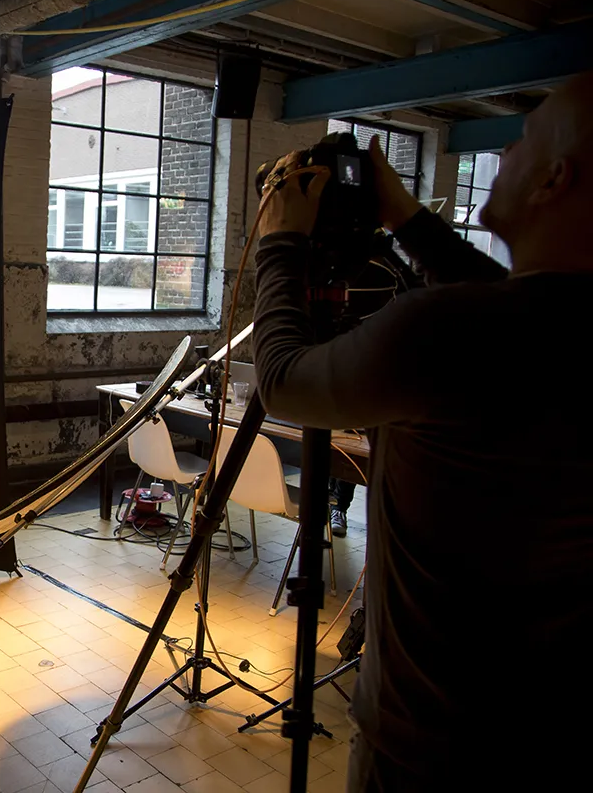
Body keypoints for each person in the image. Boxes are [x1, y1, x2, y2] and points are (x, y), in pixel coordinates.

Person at [252, 72, 593, 791]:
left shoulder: (444, 332)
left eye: (527, 135)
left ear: (555, 178)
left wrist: (279, 243)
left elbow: (283, 379)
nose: (505, 144)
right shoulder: (533, 326)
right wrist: (406, 219)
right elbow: (508, 302)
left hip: (429, 742)